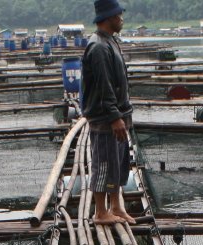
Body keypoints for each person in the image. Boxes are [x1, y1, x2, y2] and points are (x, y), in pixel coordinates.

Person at [82, 0, 136, 225]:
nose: (121, 18)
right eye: (118, 14)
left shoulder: (110, 41)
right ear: (108, 17)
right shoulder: (98, 47)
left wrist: (121, 116)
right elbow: (104, 87)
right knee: (103, 163)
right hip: (106, 119)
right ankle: (100, 212)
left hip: (118, 115)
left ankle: (116, 206)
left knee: (117, 163)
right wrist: (114, 117)